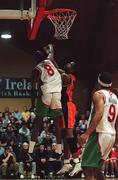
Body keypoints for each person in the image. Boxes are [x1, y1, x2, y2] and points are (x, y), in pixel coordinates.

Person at [79, 72, 118, 180]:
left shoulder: (98, 94)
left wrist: (87, 134)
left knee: (87, 168)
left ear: (98, 82)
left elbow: (99, 113)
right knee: (97, 169)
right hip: (111, 134)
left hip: (99, 134)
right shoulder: (115, 97)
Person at [28, 44, 64, 155]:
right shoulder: (49, 60)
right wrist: (49, 46)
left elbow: (33, 89)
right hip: (57, 92)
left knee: (38, 123)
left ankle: (30, 149)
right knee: (57, 123)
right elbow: (51, 51)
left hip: (47, 93)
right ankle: (59, 148)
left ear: (35, 60)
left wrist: (33, 104)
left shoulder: (36, 69)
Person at [57, 62, 82, 176]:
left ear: (72, 70)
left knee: (69, 134)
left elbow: (56, 70)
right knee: (63, 134)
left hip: (67, 106)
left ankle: (77, 162)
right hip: (62, 106)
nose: (67, 64)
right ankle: (67, 162)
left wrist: (49, 56)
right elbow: (57, 68)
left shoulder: (67, 77)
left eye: (70, 64)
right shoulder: (66, 75)